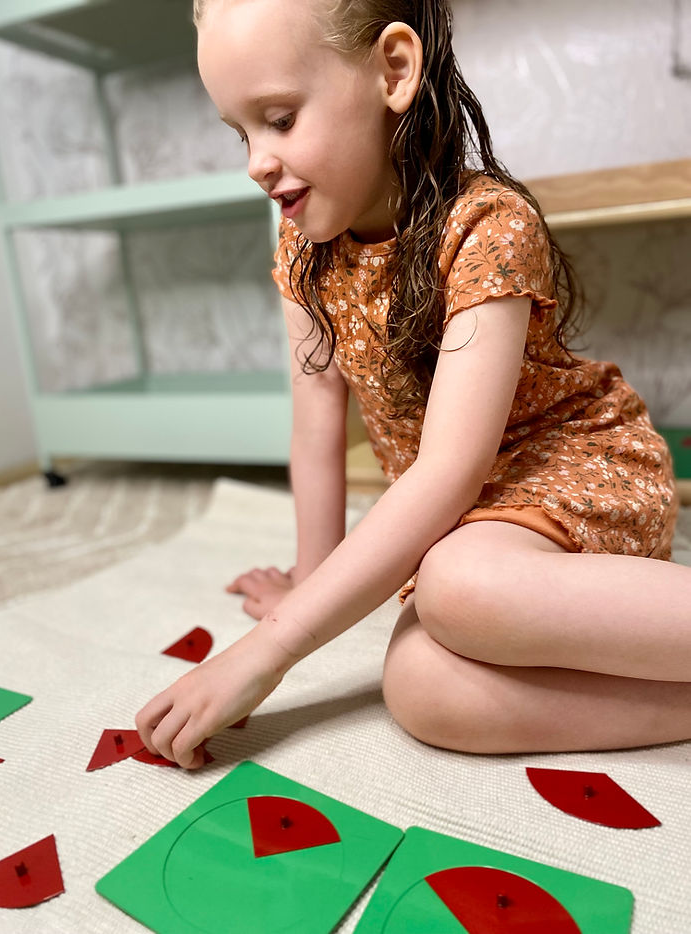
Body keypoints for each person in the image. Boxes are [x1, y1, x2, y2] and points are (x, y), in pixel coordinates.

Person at [136, 0, 690, 770]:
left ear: (393, 72)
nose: (257, 161)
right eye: (242, 132)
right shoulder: (305, 251)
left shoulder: (485, 226)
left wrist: (272, 648)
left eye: (281, 119)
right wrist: (307, 584)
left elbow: (448, 472)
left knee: (455, 586)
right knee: (418, 686)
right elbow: (317, 427)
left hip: (568, 470)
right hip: (472, 523)